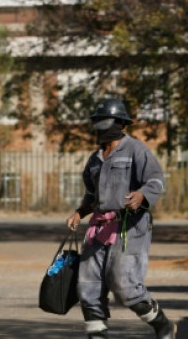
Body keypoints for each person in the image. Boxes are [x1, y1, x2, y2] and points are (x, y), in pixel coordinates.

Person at [66, 98, 175, 339]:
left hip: (130, 226)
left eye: (104, 122)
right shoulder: (95, 158)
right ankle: (97, 335)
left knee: (125, 286)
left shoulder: (136, 149)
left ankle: (163, 324)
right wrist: (79, 212)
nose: (100, 127)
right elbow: (92, 195)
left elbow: (156, 180)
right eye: (97, 122)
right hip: (98, 228)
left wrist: (142, 195)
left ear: (120, 124)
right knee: (88, 286)